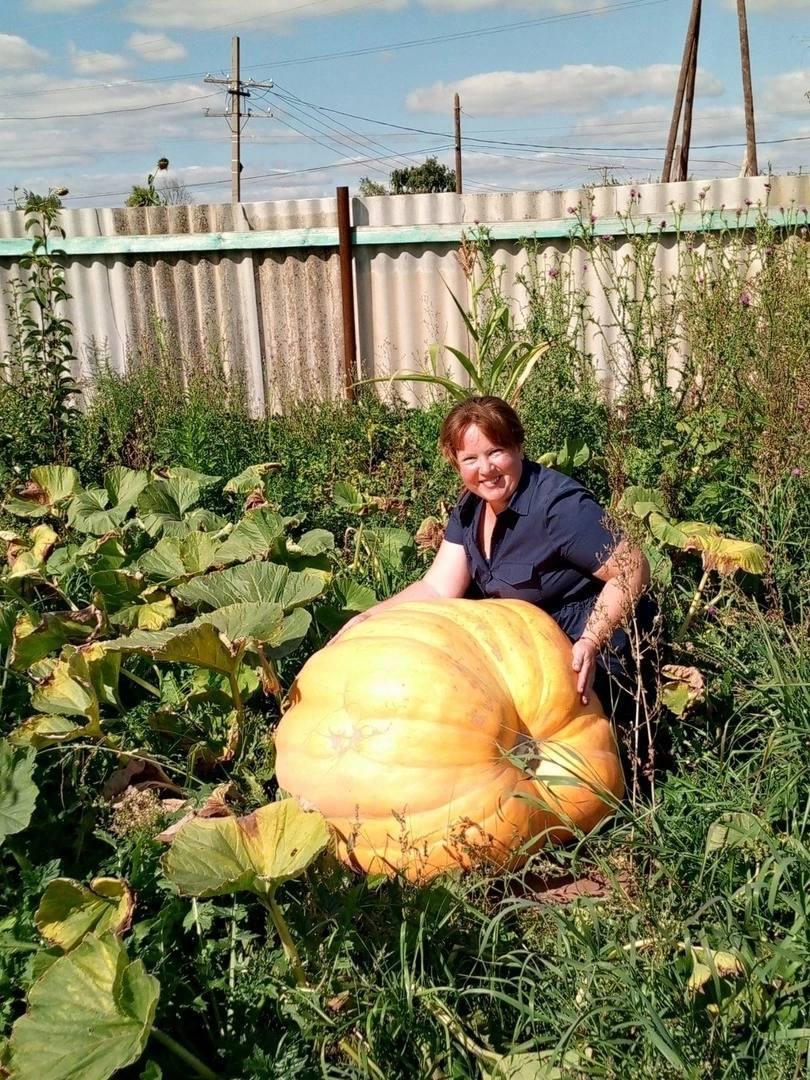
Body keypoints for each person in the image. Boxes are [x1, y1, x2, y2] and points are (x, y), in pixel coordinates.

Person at [340, 396, 658, 752]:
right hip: (527, 654)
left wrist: (591, 640)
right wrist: (369, 617)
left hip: (590, 650)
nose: (486, 469)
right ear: (455, 462)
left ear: (518, 447)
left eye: (496, 452)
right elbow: (437, 587)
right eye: (470, 459)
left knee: (590, 766)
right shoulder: (470, 507)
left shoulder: (559, 506)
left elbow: (632, 568)